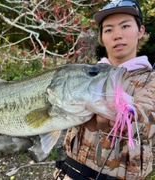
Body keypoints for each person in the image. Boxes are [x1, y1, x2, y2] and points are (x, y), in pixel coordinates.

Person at [53, 0, 155, 179]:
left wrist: (122, 113)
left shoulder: (150, 80)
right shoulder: (82, 74)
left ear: (140, 31)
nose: (117, 35)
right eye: (108, 29)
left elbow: (147, 119)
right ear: (101, 38)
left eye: (125, 26)